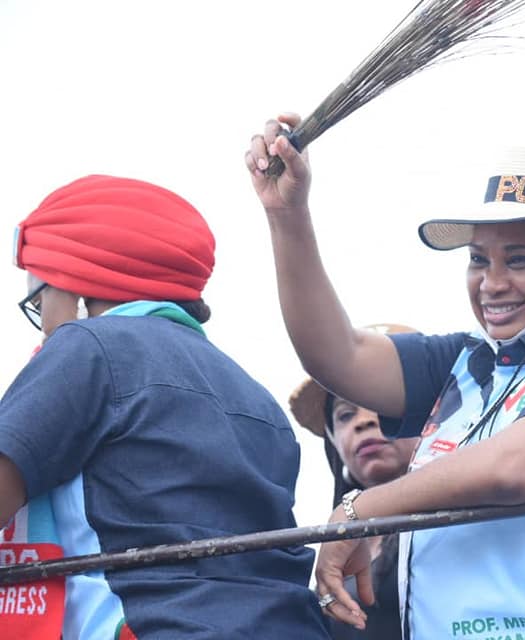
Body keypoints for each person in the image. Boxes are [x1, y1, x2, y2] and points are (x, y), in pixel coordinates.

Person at [246, 114, 525, 639]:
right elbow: (336, 356)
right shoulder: (460, 362)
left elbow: (519, 466)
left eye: (520, 260)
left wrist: (359, 508)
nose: (492, 283)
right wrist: (287, 214)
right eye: (478, 260)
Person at [0, 175, 328, 639]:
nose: (42, 327)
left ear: (75, 290)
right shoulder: (255, 395)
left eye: (39, 300)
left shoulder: (89, 348)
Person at [288, 323, 419, 640]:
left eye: (383, 405)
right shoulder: (332, 546)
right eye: (346, 415)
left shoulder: (473, 513)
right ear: (332, 440)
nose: (364, 421)